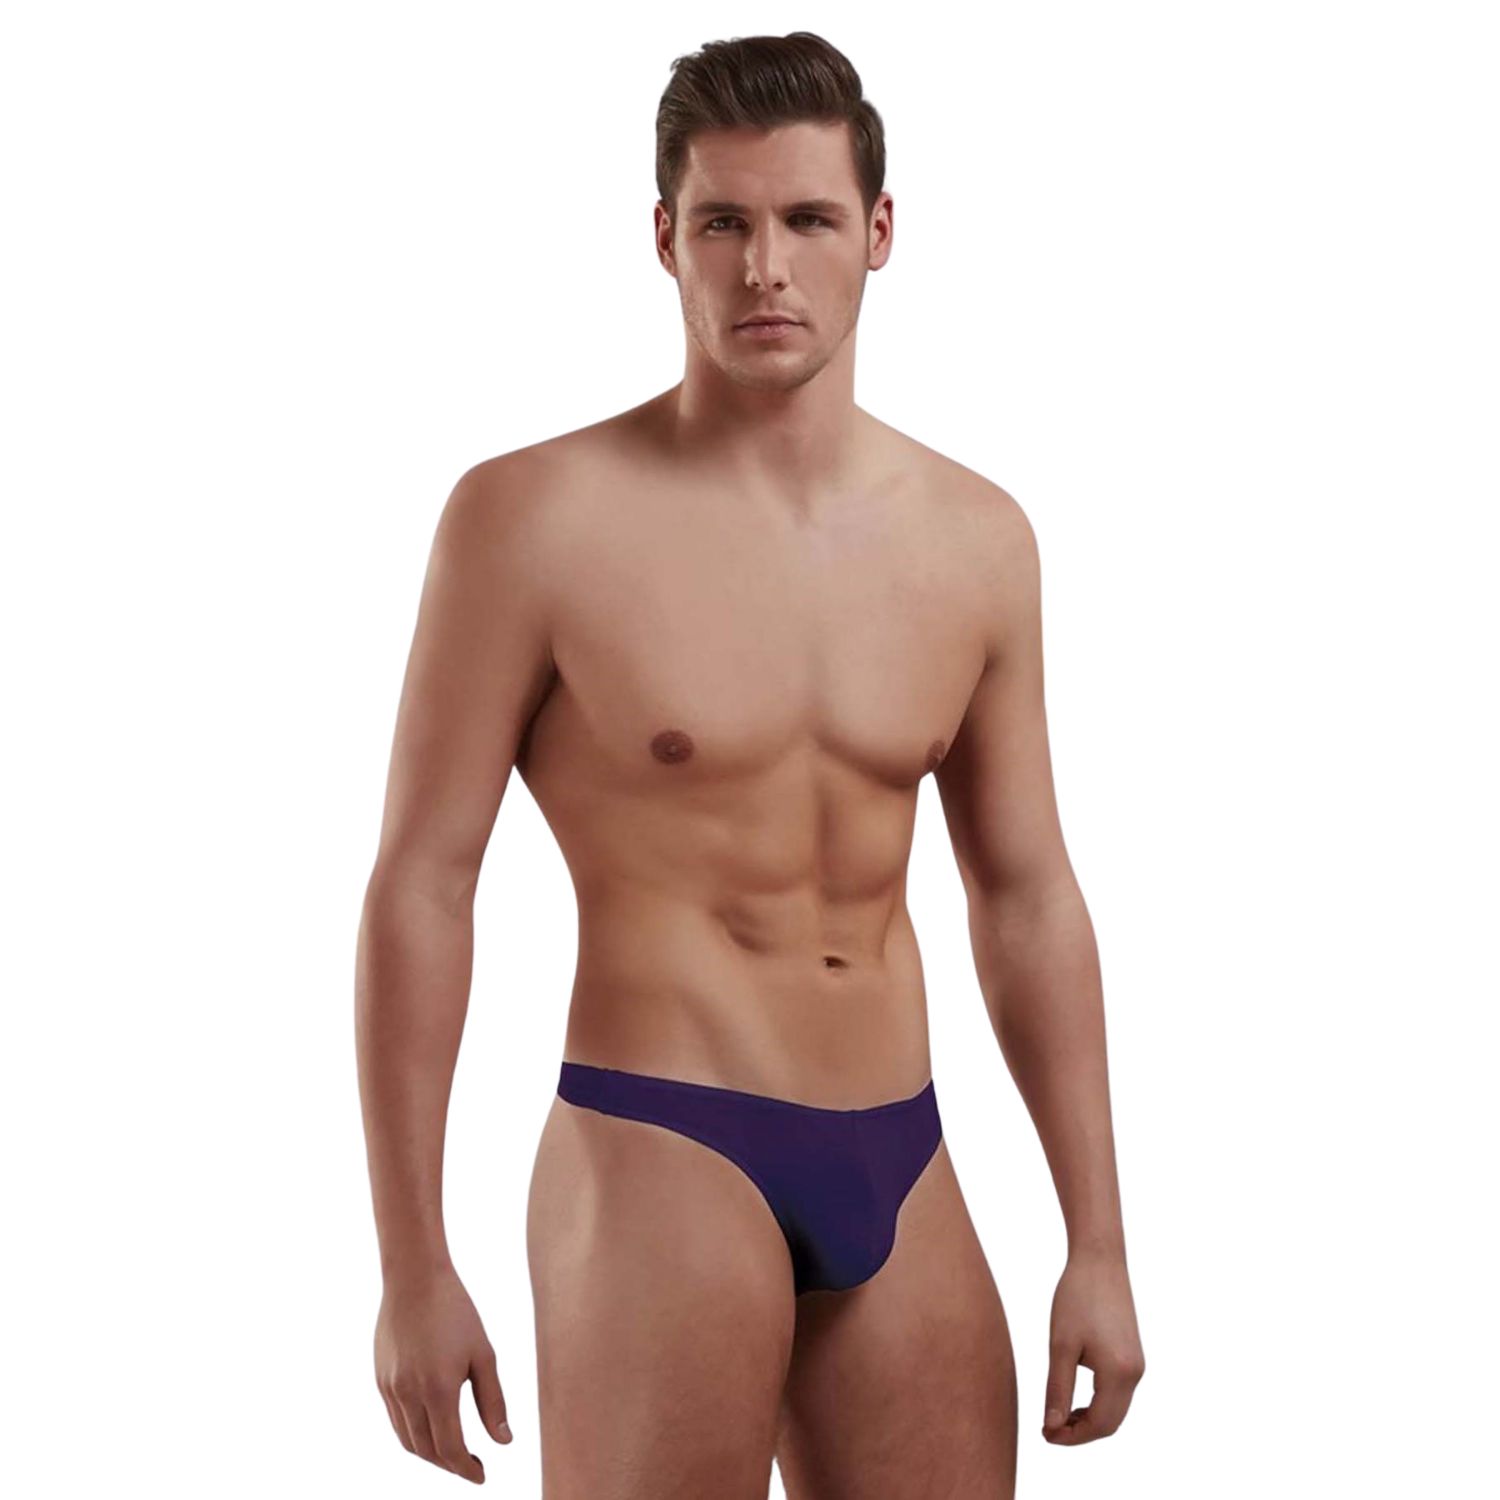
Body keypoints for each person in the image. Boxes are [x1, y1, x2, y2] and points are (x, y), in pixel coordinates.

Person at [355, 29, 1144, 1497]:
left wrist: (1097, 1237)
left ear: (880, 233)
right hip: (661, 1133)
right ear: (666, 237)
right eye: (723, 222)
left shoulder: (978, 542)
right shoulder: (532, 522)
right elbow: (423, 882)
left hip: (904, 1152)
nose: (765, 268)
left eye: (808, 220)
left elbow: (1027, 892)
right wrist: (412, 1265)